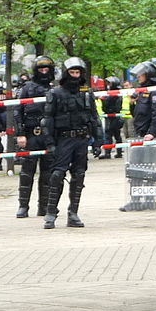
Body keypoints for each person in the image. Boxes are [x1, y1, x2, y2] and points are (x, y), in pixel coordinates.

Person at [41, 57, 103, 229]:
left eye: (78, 72)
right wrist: (50, 143)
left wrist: (98, 141)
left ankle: (73, 213)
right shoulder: (55, 93)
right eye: (72, 72)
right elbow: (47, 120)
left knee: (79, 175)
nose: (75, 76)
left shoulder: (86, 93)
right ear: (66, 73)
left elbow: (94, 118)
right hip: (63, 139)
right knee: (57, 175)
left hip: (81, 139)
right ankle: (51, 213)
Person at [119, 60, 156, 212]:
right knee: (135, 168)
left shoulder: (155, 90)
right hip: (139, 134)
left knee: (149, 168)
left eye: (141, 74)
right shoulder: (141, 90)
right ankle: (136, 200)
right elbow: (137, 113)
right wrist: (133, 103)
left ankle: (150, 200)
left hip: (148, 136)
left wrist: (152, 133)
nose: (138, 77)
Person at [15, 55, 56, 218]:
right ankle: (23, 206)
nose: (44, 72)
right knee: (27, 172)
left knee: (47, 173)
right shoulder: (27, 88)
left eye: (47, 69)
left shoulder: (54, 89)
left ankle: (43, 206)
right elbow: (18, 111)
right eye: (41, 69)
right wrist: (20, 134)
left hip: (48, 136)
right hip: (31, 135)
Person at [99, 76, 124, 159]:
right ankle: (111, 152)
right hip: (110, 117)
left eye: (110, 83)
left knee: (112, 135)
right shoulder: (111, 93)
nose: (108, 85)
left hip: (114, 117)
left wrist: (103, 100)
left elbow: (113, 106)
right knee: (112, 135)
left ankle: (113, 152)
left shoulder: (116, 93)